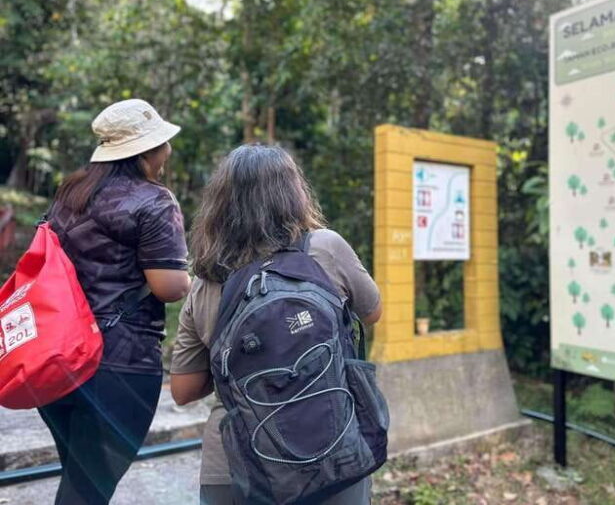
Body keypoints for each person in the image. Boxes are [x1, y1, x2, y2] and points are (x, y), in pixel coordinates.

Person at [170, 144, 382, 505]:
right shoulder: (325, 250)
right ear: (294, 194)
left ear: (220, 206)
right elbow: (372, 311)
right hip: (332, 455)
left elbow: (183, 390)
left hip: (237, 468)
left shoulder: (205, 284)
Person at [40, 98, 191, 505]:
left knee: (79, 479)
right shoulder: (155, 201)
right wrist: (195, 282)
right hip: (118, 365)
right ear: (149, 150)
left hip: (59, 358)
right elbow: (169, 287)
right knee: (87, 491)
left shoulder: (71, 191)